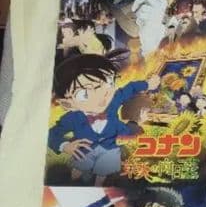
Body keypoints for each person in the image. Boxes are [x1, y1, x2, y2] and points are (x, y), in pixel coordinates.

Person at [48, 55, 160, 184]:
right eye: (85, 94)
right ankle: (72, 183)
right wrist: (65, 146)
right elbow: (51, 134)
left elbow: (130, 88)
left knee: (103, 173)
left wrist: (148, 84)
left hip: (110, 148)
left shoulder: (113, 102)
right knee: (78, 169)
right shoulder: (72, 118)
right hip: (84, 150)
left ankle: (99, 186)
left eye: (108, 82)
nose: (103, 94)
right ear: (67, 104)